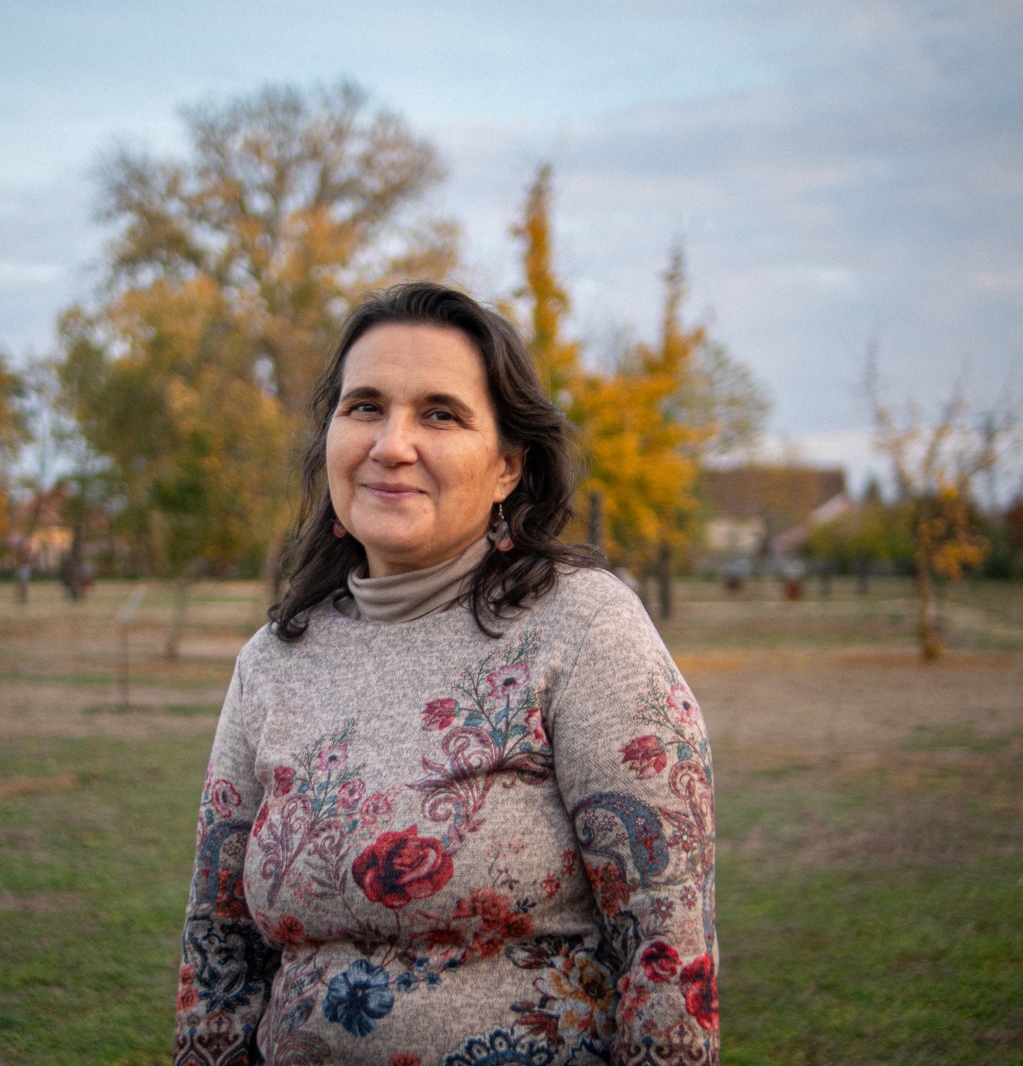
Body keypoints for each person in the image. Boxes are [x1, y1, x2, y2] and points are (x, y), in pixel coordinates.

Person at [175, 283, 717, 1065]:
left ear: (507, 468)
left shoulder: (586, 629)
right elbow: (217, 944)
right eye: (364, 406)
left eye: (439, 414)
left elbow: (667, 946)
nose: (391, 444)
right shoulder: (272, 660)